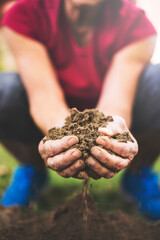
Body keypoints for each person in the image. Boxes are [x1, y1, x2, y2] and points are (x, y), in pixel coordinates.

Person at [0, 0, 159, 219]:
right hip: (52, 105)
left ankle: (138, 173)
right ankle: (32, 168)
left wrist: (111, 127)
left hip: (114, 101)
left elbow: (118, 97)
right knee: (3, 89)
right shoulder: (25, 13)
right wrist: (61, 131)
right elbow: (43, 94)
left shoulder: (138, 25)